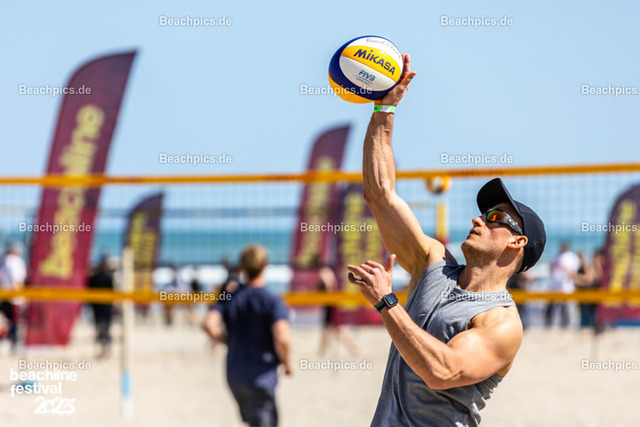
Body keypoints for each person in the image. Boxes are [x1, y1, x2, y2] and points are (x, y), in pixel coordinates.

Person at [346, 54, 546, 426]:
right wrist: (384, 110)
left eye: (495, 219)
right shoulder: (432, 264)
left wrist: (387, 302)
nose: (479, 219)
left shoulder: (501, 323)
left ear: (517, 243)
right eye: (483, 214)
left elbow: (443, 371)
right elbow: (380, 194)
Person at [204, 245, 292, 427]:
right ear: (265, 266)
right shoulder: (272, 300)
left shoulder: (230, 296)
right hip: (261, 375)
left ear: (242, 267)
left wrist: (224, 340)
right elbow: (282, 338)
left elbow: (208, 324)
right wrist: (287, 363)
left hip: (234, 375)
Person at [314, 257, 359, 357]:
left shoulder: (323, 272)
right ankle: (322, 351)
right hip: (332, 303)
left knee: (336, 330)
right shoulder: (328, 271)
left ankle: (353, 348)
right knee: (330, 329)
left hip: (330, 304)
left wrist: (320, 295)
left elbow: (328, 287)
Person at [545, 241, 579, 328]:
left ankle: (565, 326)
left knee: (565, 309)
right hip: (555, 286)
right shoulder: (555, 255)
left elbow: (574, 273)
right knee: (551, 308)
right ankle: (548, 325)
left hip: (566, 287)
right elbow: (550, 269)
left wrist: (565, 270)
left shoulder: (572, 257)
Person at [88, 255, 116, 359]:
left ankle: (102, 349)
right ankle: (104, 350)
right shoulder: (106, 277)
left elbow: (89, 292)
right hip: (104, 307)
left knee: (99, 328)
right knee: (105, 329)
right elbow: (112, 291)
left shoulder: (95, 278)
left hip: (98, 307)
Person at [0, 242, 27, 350]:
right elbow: (16, 280)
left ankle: (8, 342)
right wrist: (21, 297)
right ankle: (14, 345)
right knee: (15, 323)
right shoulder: (16, 261)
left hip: (3, 296)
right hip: (13, 297)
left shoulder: (2, 260)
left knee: (7, 322)